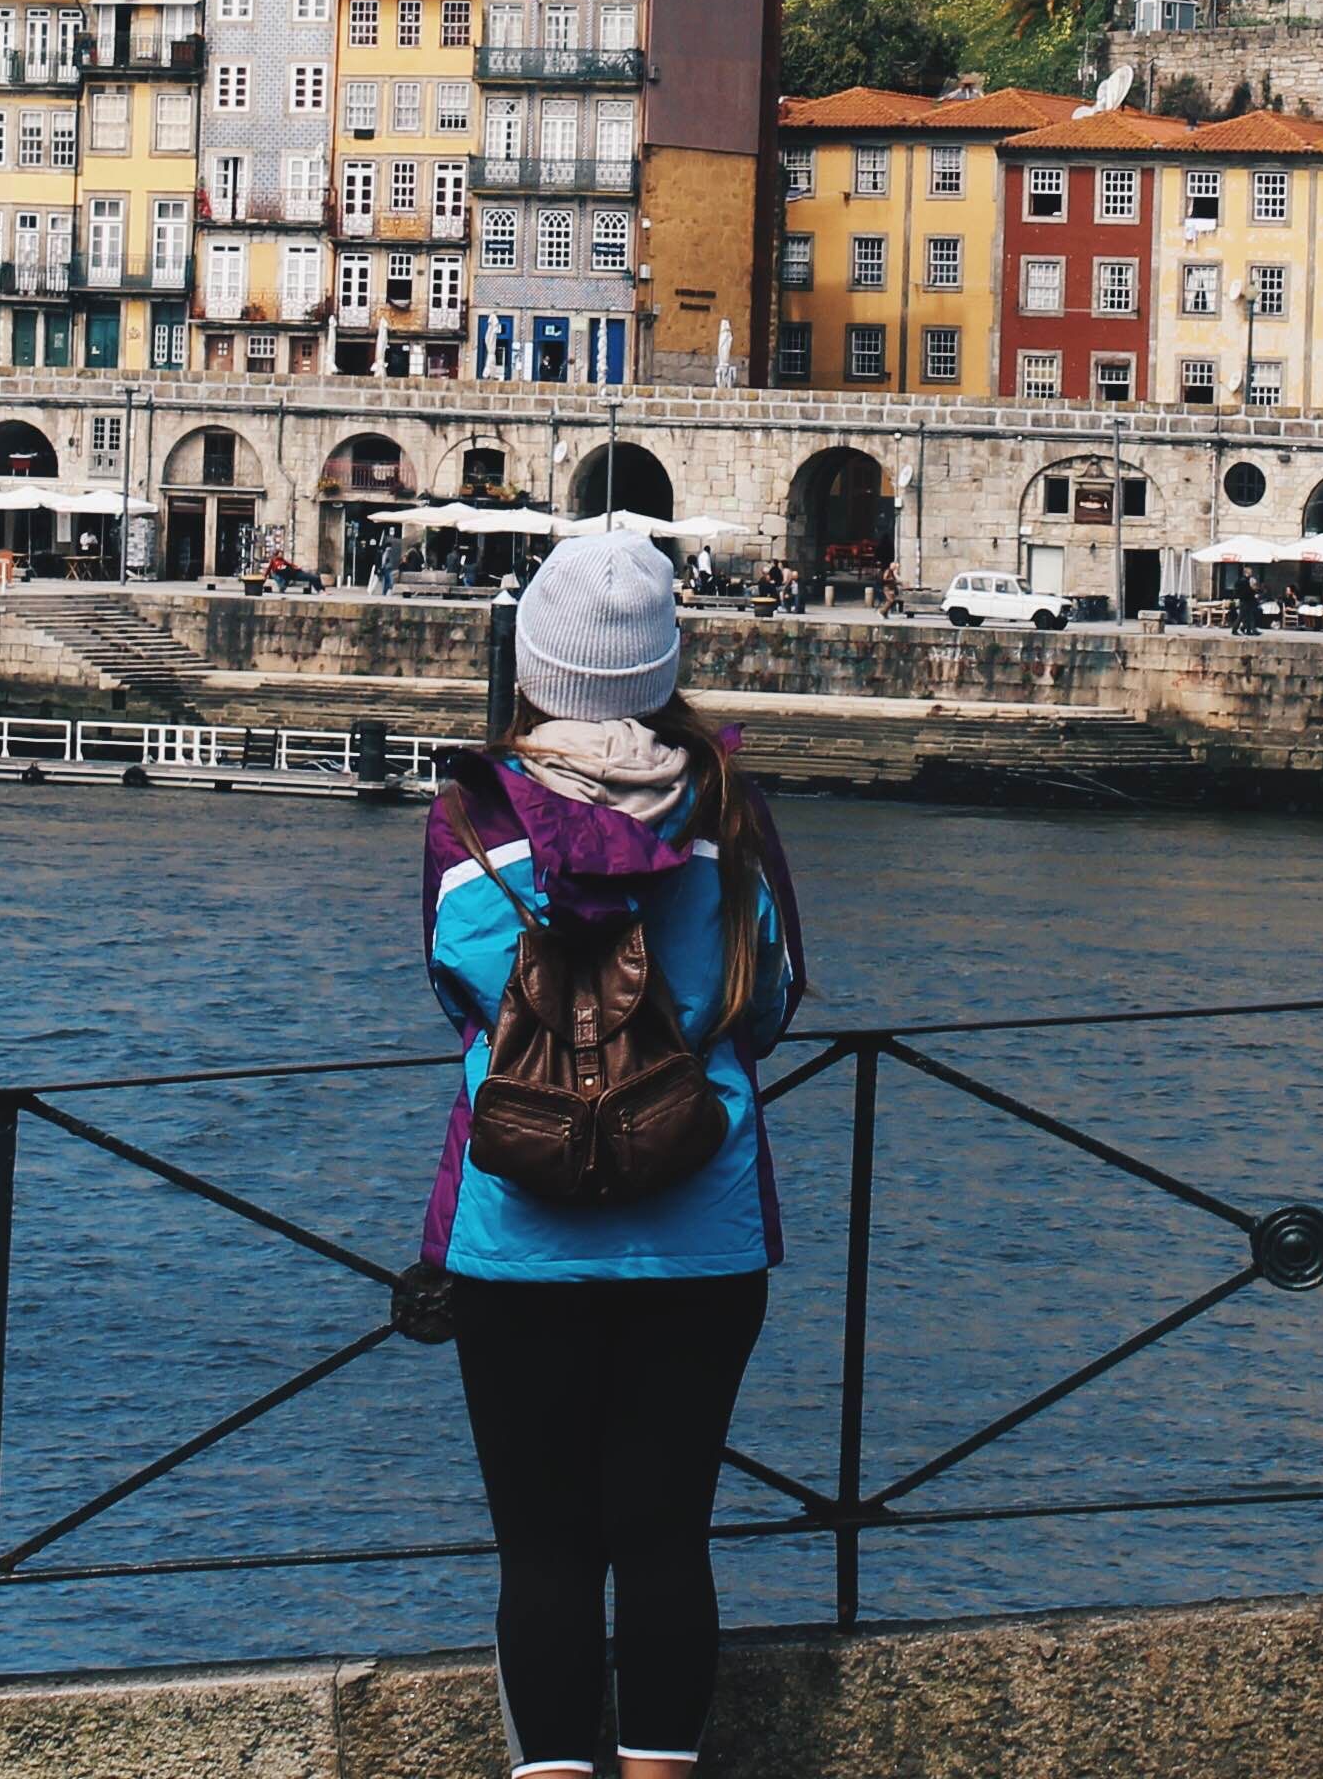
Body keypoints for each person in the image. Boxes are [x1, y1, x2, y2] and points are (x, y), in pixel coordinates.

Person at [421, 525, 806, 1779]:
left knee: (541, 1548)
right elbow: (774, 1003)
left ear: (534, 663)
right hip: (699, 1233)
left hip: (517, 1235)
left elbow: (456, 990)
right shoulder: (732, 815)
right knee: (664, 1537)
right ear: (663, 664)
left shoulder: (472, 820)